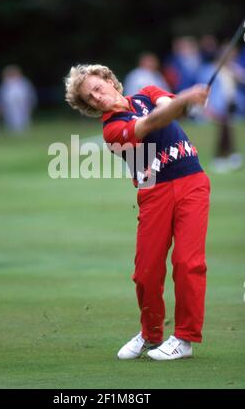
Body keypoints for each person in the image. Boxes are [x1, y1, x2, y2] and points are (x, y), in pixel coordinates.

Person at [65, 64, 210, 361]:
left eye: (97, 88)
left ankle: (184, 338)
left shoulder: (146, 93)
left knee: (187, 262)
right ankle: (150, 334)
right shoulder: (112, 130)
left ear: (109, 80)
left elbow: (168, 106)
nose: (96, 97)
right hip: (154, 193)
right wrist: (186, 99)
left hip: (192, 182)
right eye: (89, 99)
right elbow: (151, 124)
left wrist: (184, 101)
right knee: (146, 272)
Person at [0, 65, 37, 132]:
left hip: (23, 106)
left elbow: (30, 94)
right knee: (11, 123)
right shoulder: (5, 83)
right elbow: (1, 96)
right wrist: (1, 106)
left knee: (23, 123)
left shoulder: (24, 82)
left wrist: (31, 104)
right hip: (10, 107)